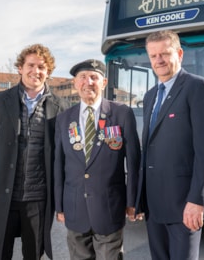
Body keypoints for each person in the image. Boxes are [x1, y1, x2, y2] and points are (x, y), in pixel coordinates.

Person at [0, 44, 70, 259]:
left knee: (33, 253)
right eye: (31, 65)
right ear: (20, 68)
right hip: (2, 193)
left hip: (37, 197)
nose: (36, 71)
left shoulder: (60, 106)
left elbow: (62, 151)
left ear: (48, 71)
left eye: (41, 67)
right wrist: (1, 166)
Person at [135, 30, 204, 259]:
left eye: (165, 54)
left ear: (179, 54)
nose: (159, 60)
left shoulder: (198, 87)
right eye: (153, 55)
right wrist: (138, 199)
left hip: (184, 204)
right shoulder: (149, 96)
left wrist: (197, 200)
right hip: (154, 204)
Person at [54, 59, 141, 260]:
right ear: (75, 83)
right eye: (83, 77)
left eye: (94, 77)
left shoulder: (121, 113)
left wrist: (133, 201)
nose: (88, 82)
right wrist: (59, 205)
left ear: (104, 83)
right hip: (74, 208)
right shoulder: (64, 119)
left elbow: (134, 162)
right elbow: (58, 164)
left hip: (110, 208)